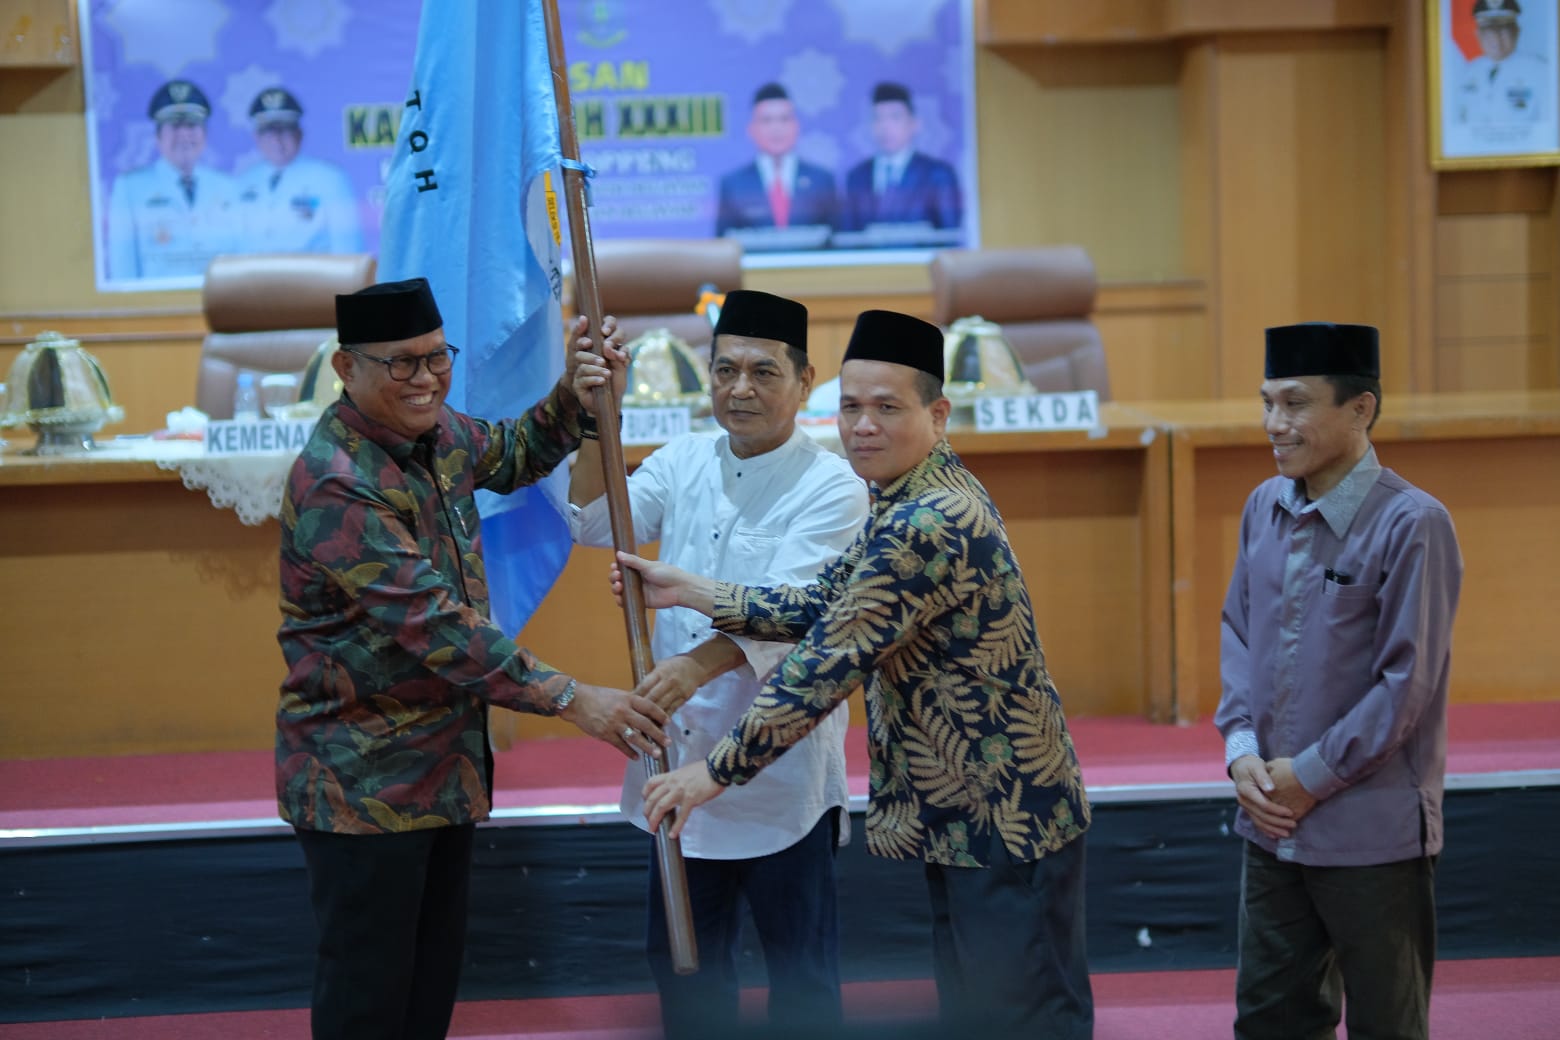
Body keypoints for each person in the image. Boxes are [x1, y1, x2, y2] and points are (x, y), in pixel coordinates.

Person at [620, 310, 1094, 1038]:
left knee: (1021, 1017)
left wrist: (710, 774)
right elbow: (822, 601)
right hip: (970, 809)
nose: (863, 427)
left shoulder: (926, 522)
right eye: (850, 407)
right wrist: (694, 590)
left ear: (938, 414)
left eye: (887, 408)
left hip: (1002, 810)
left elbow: (824, 664)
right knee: (980, 1014)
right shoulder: (908, 492)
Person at [276, 277, 670, 1040]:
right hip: (362, 781)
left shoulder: (438, 433)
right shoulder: (338, 481)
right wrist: (574, 698)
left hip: (443, 768)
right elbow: (436, 626)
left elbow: (516, 452)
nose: (425, 378)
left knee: (429, 989)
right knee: (369, 998)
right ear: (346, 368)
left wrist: (576, 391)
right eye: (401, 363)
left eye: (437, 357)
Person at [569, 289, 869, 1037]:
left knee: (801, 982)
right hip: (680, 764)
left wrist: (693, 667)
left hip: (782, 773)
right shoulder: (684, 458)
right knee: (686, 976)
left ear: (805, 381)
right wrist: (597, 416)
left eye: (764, 372)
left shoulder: (833, 484)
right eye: (725, 369)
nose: (740, 388)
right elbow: (594, 521)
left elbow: (795, 608)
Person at [1215, 322, 1463, 1040]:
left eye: (1295, 403)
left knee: (1388, 1024)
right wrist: (1241, 749)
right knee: (1269, 1022)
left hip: (1371, 832)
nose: (1274, 424)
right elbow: (1238, 632)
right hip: (1271, 823)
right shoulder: (1263, 505)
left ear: (1361, 409)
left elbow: (1407, 685)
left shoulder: (1414, 523)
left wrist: (1310, 776)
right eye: (1266, 403)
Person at [107, 79, 239, 281]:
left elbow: (240, 261)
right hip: (158, 300)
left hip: (220, 298)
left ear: (205, 135)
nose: (184, 134)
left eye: (192, 125)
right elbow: (122, 272)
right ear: (158, 136)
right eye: (175, 126)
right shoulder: (130, 188)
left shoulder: (227, 187)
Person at [238, 86, 364, 253]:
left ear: (299, 134)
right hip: (252, 270)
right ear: (256, 137)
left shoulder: (329, 178)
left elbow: (348, 248)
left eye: (284, 130)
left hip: (313, 270)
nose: (277, 140)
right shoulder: (243, 181)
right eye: (269, 132)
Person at [715, 83, 837, 238]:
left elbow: (837, 240)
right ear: (751, 130)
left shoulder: (822, 180)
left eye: (784, 119)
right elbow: (725, 245)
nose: (776, 128)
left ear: (796, 127)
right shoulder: (733, 184)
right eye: (767, 120)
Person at [840, 83, 962, 234]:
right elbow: (849, 235)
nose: (885, 126)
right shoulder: (856, 177)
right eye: (878, 118)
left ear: (914, 124)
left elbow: (949, 234)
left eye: (895, 117)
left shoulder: (938, 174)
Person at [1453, 0, 1548, 125]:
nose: (1496, 38)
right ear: (1478, 35)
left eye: (1503, 30)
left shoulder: (1541, 71)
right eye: (1489, 31)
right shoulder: (1469, 72)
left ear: (1516, 32)